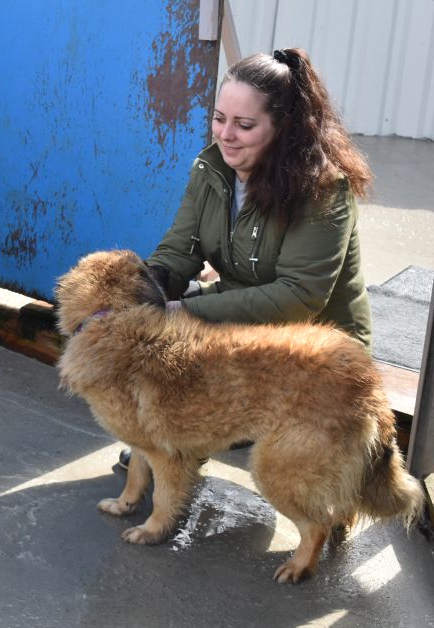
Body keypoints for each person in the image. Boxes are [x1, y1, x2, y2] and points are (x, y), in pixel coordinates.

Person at [118, 48, 373, 469]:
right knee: (148, 335)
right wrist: (149, 289)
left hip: (314, 347)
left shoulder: (323, 190)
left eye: (245, 125)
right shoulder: (212, 167)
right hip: (243, 329)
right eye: (219, 118)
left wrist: (183, 309)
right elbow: (180, 248)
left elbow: (298, 296)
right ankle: (182, 436)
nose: (225, 135)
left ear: (284, 127)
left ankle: (198, 434)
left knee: (180, 331)